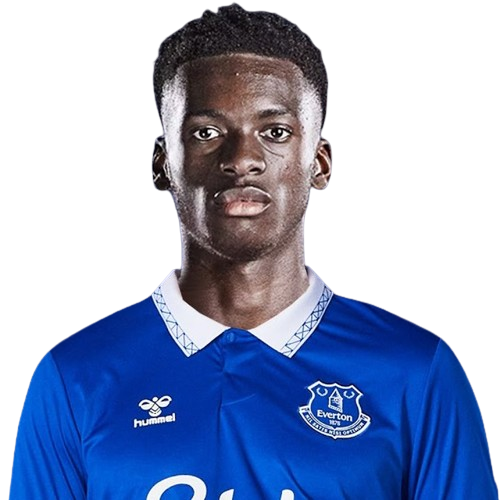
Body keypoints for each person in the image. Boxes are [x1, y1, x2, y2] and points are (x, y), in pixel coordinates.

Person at [10, 3, 497, 499]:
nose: (242, 159)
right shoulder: (73, 377)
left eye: (275, 132)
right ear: (163, 164)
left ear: (320, 163)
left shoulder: (417, 371)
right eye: (206, 133)